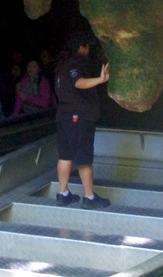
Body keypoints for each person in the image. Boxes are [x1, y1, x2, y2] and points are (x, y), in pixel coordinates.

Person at [53, 32, 111, 209]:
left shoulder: (61, 65)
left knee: (65, 155)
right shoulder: (74, 64)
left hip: (63, 115)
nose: (89, 50)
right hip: (77, 116)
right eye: (87, 46)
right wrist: (100, 80)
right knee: (84, 156)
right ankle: (89, 197)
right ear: (81, 48)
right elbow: (78, 82)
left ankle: (64, 194)